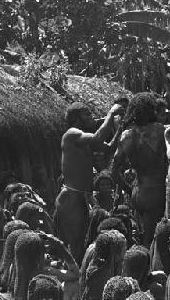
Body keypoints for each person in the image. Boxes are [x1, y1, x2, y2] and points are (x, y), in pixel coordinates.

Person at [55, 101, 124, 264]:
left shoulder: (82, 140)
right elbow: (97, 138)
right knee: (76, 246)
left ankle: (75, 280)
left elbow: (108, 149)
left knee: (80, 245)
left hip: (80, 199)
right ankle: (72, 282)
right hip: (71, 198)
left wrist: (121, 128)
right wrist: (111, 113)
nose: (91, 117)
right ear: (77, 118)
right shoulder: (72, 134)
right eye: (87, 114)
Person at [111, 93, 167, 247]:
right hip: (156, 191)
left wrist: (128, 190)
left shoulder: (126, 135)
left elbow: (114, 170)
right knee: (154, 240)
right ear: (151, 110)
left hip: (137, 192)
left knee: (141, 236)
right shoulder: (159, 130)